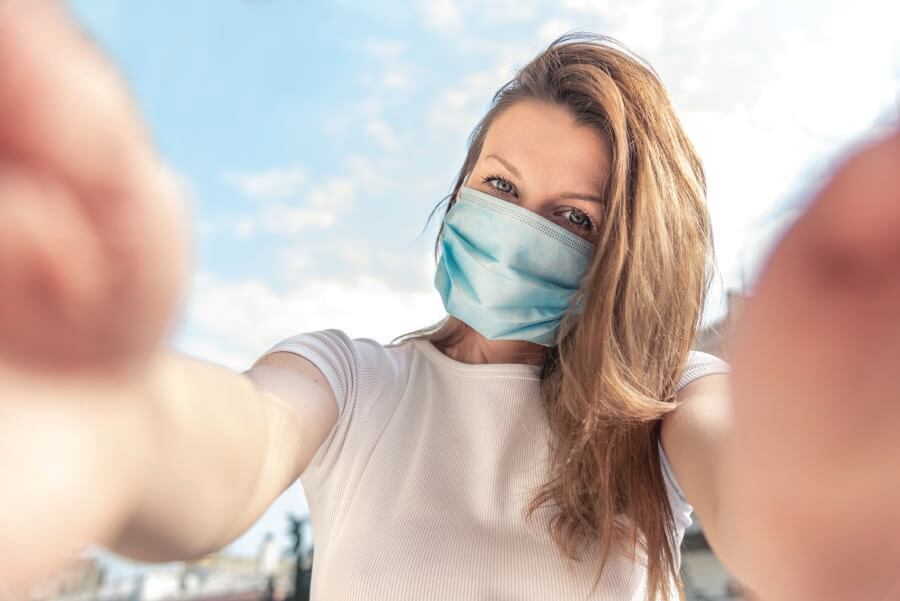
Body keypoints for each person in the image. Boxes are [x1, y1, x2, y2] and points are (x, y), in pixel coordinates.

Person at [1, 3, 898, 601]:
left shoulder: (659, 409)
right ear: (459, 188)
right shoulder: (357, 382)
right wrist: (102, 406)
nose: (520, 227)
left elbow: (756, 481)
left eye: (572, 218)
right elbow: (235, 440)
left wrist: (836, 483)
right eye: (500, 186)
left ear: (620, 255)